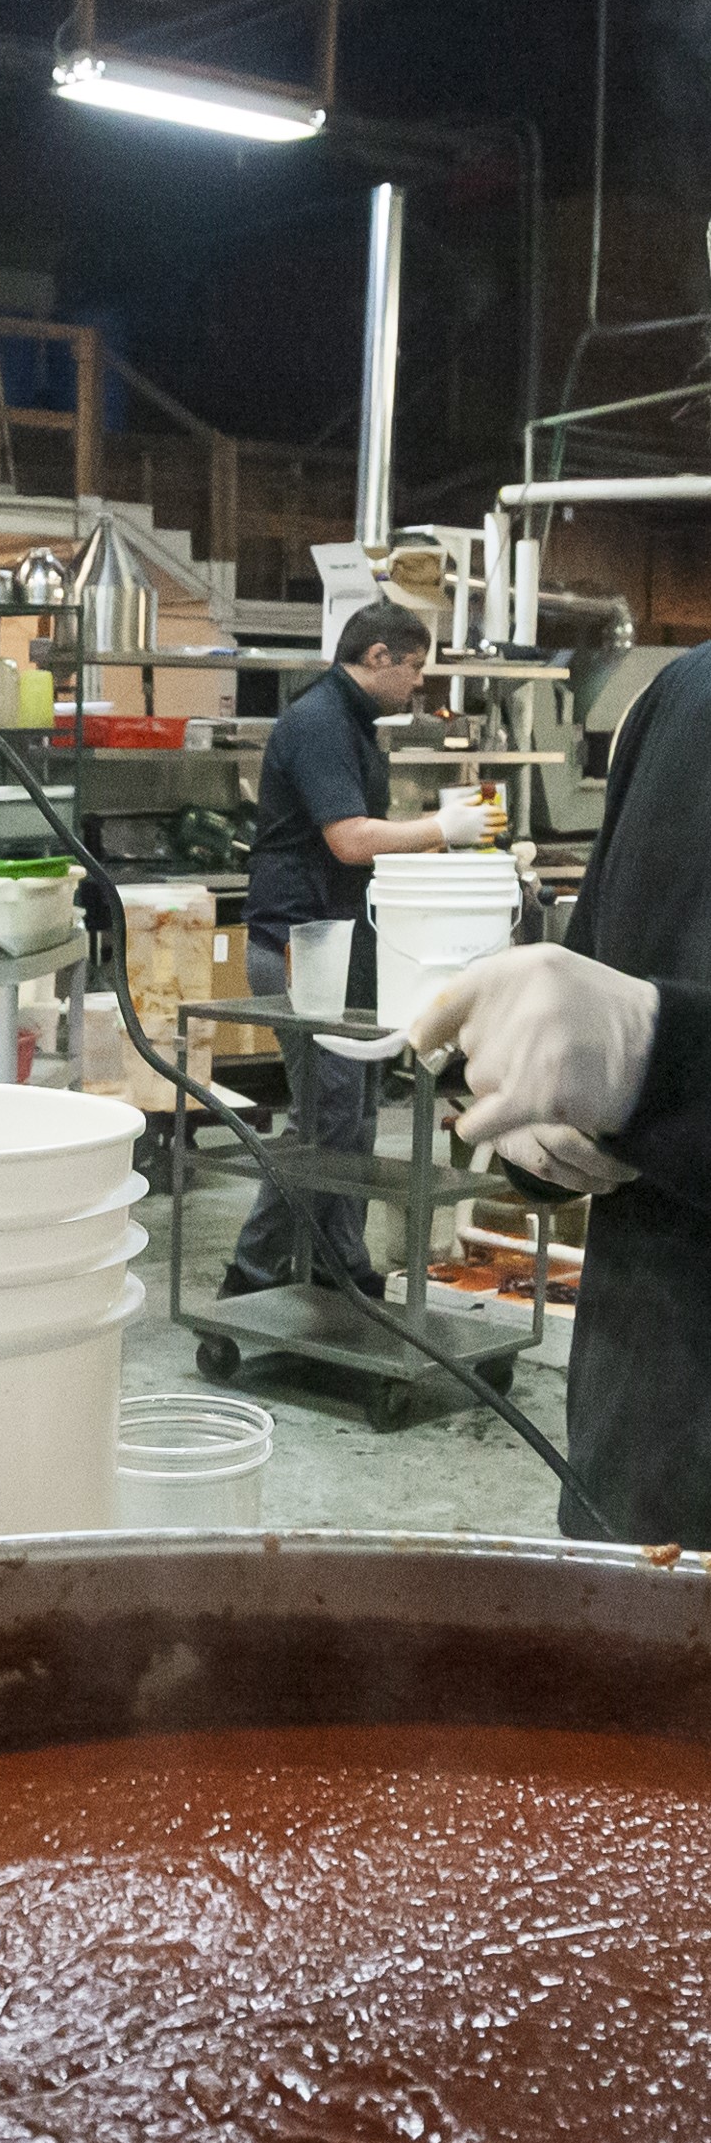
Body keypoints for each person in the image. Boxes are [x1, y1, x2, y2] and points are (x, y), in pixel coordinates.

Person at [409, 642, 711, 1545]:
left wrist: (661, 1058)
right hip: (643, 1441)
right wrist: (538, 1114)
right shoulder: (684, 698)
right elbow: (609, 974)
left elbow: (647, 1048)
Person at [228, 600, 501, 1297]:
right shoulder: (321, 722)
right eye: (413, 667)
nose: (418, 685)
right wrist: (443, 827)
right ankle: (256, 1269)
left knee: (348, 1120)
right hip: (300, 943)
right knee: (328, 1122)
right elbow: (349, 839)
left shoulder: (349, 722)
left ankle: (334, 1263)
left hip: (338, 945)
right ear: (378, 655)